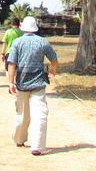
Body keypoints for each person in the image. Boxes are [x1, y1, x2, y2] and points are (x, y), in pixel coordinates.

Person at [7, 16, 58, 156]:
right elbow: (54, 59)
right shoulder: (42, 42)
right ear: (35, 28)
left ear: (23, 28)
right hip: (38, 84)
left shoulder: (17, 42)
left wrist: (11, 82)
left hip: (21, 83)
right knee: (40, 114)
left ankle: (19, 139)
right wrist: (53, 70)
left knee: (22, 113)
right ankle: (37, 146)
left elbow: (11, 63)